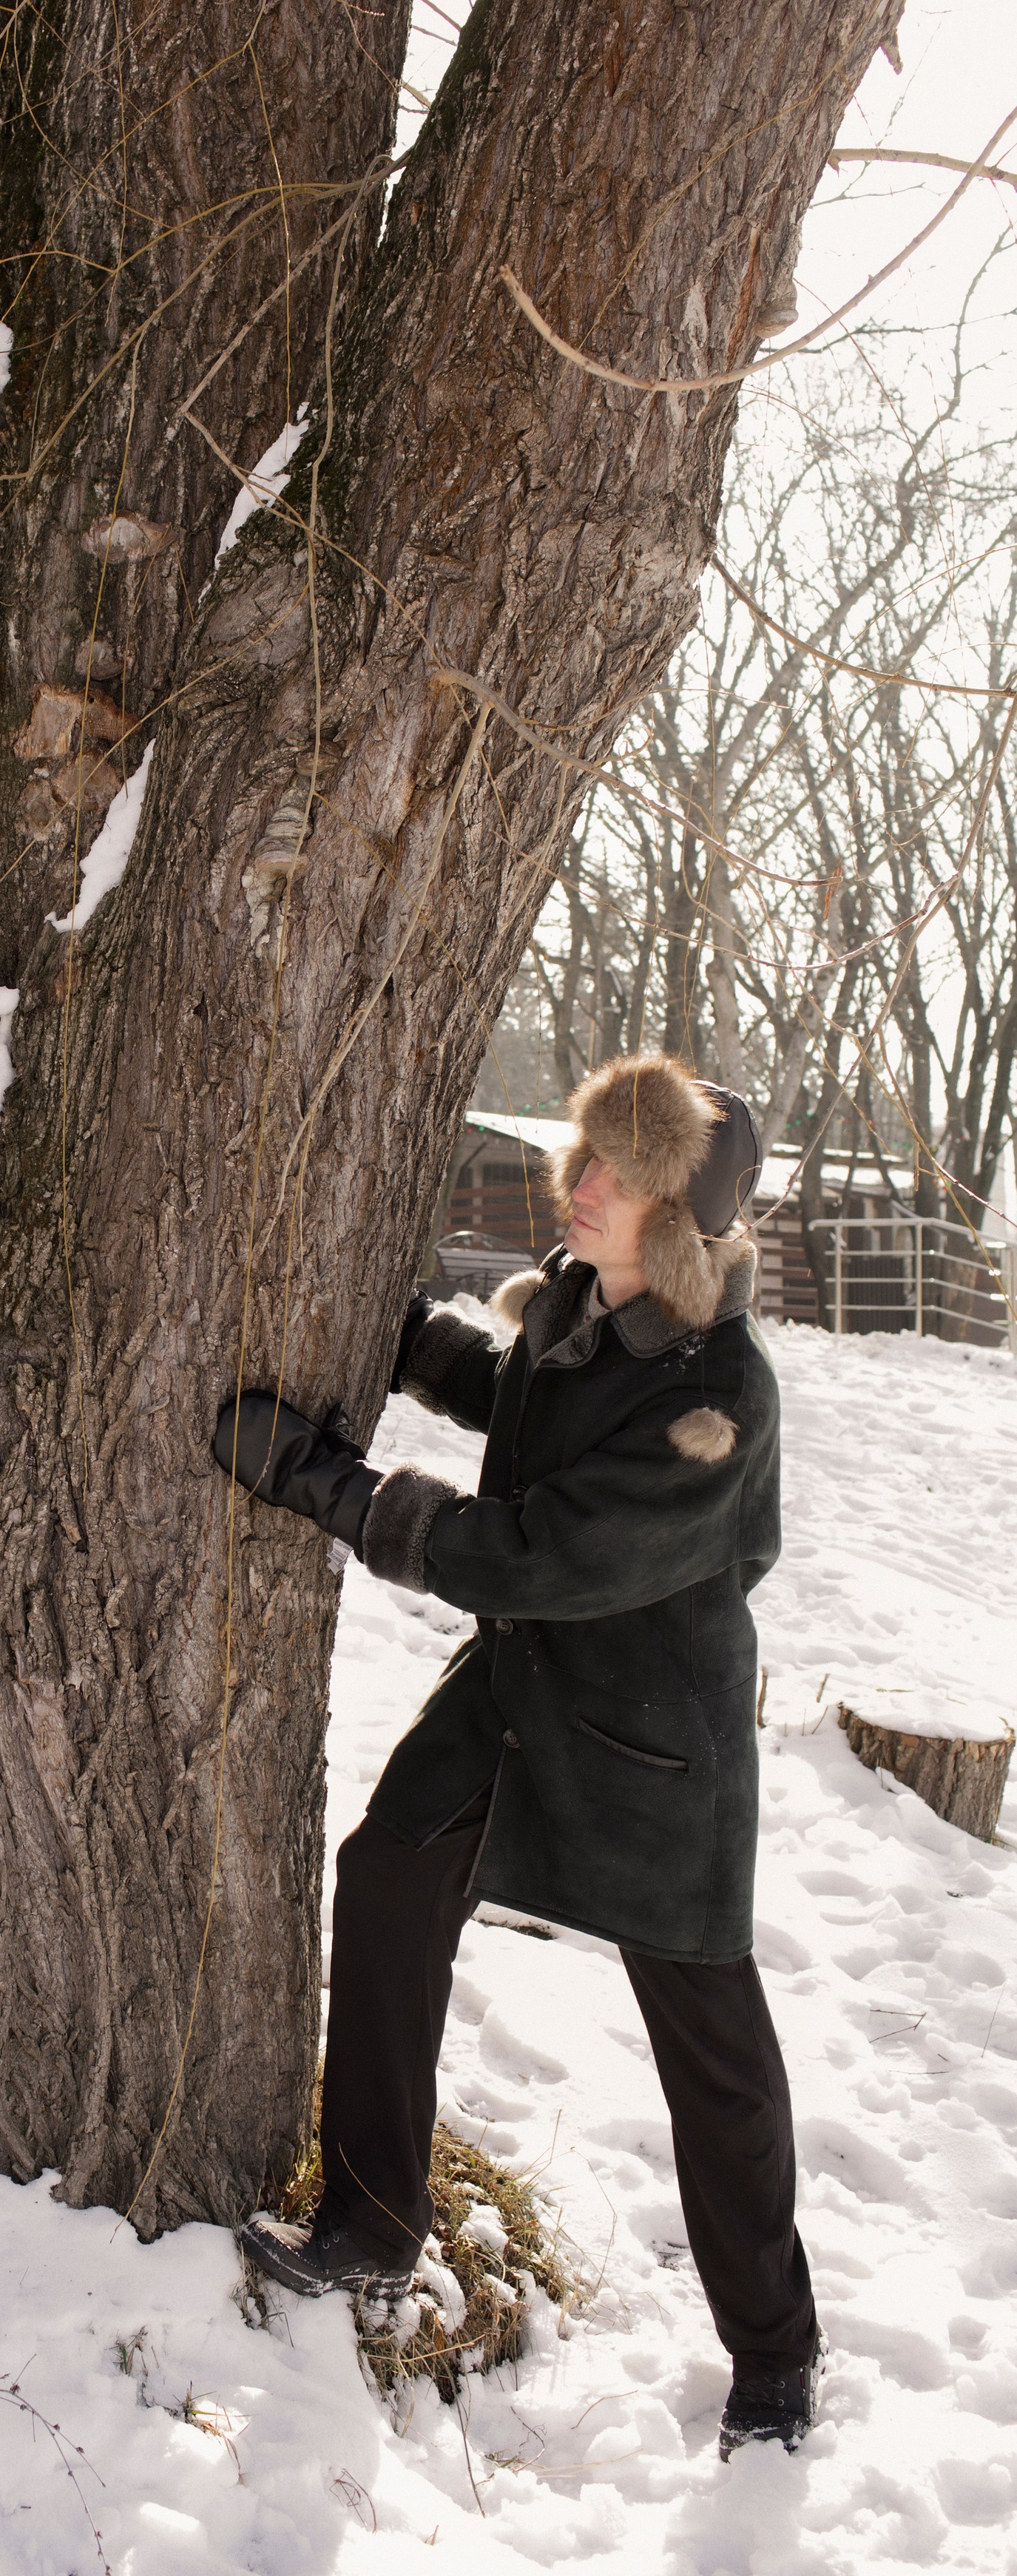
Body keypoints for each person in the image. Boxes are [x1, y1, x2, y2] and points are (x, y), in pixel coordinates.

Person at [212, 1052, 821, 2461]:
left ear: (684, 1218)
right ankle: (371, 2220)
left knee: (712, 2050)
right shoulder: (578, 1301)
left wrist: (324, 1483)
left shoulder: (720, 1391)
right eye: (589, 1154)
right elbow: (532, 1401)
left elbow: (540, 1546)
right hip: (517, 1694)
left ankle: (777, 2355)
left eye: (626, 1172)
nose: (587, 1183)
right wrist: (411, 1340)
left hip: (655, 1751)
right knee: (387, 1879)